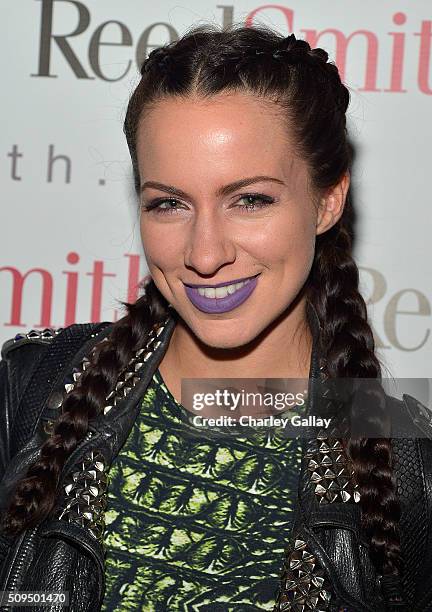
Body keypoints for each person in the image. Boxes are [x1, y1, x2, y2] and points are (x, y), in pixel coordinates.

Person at [0, 21, 431, 612]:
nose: (204, 254)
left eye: (249, 200)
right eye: (169, 203)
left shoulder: (407, 461)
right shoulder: (30, 390)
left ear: (328, 200)